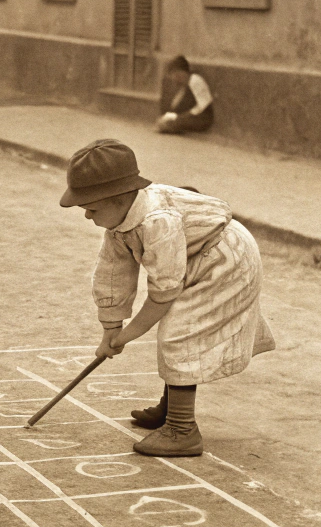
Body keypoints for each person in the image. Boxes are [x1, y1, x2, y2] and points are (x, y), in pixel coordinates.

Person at [60, 139, 275, 457]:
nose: (87, 215)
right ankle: (171, 407)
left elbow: (163, 294)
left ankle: (181, 428)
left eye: (92, 208)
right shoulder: (120, 223)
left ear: (119, 199)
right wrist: (110, 329)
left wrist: (126, 336)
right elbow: (113, 276)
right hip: (193, 258)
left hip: (224, 260)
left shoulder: (156, 222)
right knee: (180, 331)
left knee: (180, 334)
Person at [156, 55, 214, 134]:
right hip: (191, 116)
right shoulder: (185, 84)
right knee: (166, 122)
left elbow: (202, 106)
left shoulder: (195, 80)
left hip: (203, 118)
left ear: (180, 73)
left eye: (174, 74)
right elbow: (176, 104)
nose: (174, 79)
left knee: (171, 123)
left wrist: (180, 118)